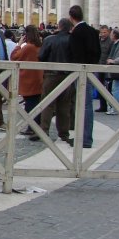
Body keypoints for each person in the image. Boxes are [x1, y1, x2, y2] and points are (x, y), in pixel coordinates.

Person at [68, 5, 100, 148]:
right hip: (91, 71)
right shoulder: (92, 31)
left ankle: (85, 139)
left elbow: (75, 55)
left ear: (71, 17)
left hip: (80, 72)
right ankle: (86, 137)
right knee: (87, 105)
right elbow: (97, 52)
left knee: (83, 106)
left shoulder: (76, 33)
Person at [38, 18, 75, 146]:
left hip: (51, 75)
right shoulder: (72, 40)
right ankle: (64, 133)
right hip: (68, 76)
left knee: (47, 104)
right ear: (70, 27)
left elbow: (41, 56)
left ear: (59, 26)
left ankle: (44, 131)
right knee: (65, 105)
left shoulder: (49, 39)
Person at [10, 25, 43, 139]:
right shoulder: (39, 46)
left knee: (29, 105)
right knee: (35, 103)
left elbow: (14, 57)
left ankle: (31, 127)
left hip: (29, 79)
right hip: (38, 78)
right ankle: (34, 126)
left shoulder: (28, 47)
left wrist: (18, 45)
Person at [96, 25, 113, 113]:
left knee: (107, 87)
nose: (102, 34)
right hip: (99, 66)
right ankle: (102, 105)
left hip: (106, 67)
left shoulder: (110, 42)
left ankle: (110, 106)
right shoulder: (98, 41)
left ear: (108, 32)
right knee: (100, 87)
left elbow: (111, 54)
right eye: (101, 32)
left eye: (104, 32)